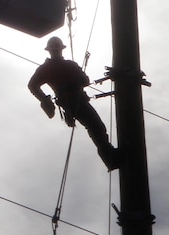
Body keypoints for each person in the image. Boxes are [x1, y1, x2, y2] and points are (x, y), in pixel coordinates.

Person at [28, 36, 120, 170]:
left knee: (97, 127)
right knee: (96, 127)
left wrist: (75, 84)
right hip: (70, 103)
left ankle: (111, 157)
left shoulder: (68, 65)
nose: (56, 52)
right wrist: (45, 99)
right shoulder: (46, 68)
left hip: (78, 100)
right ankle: (111, 158)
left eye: (57, 50)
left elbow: (85, 80)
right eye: (54, 50)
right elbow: (32, 85)